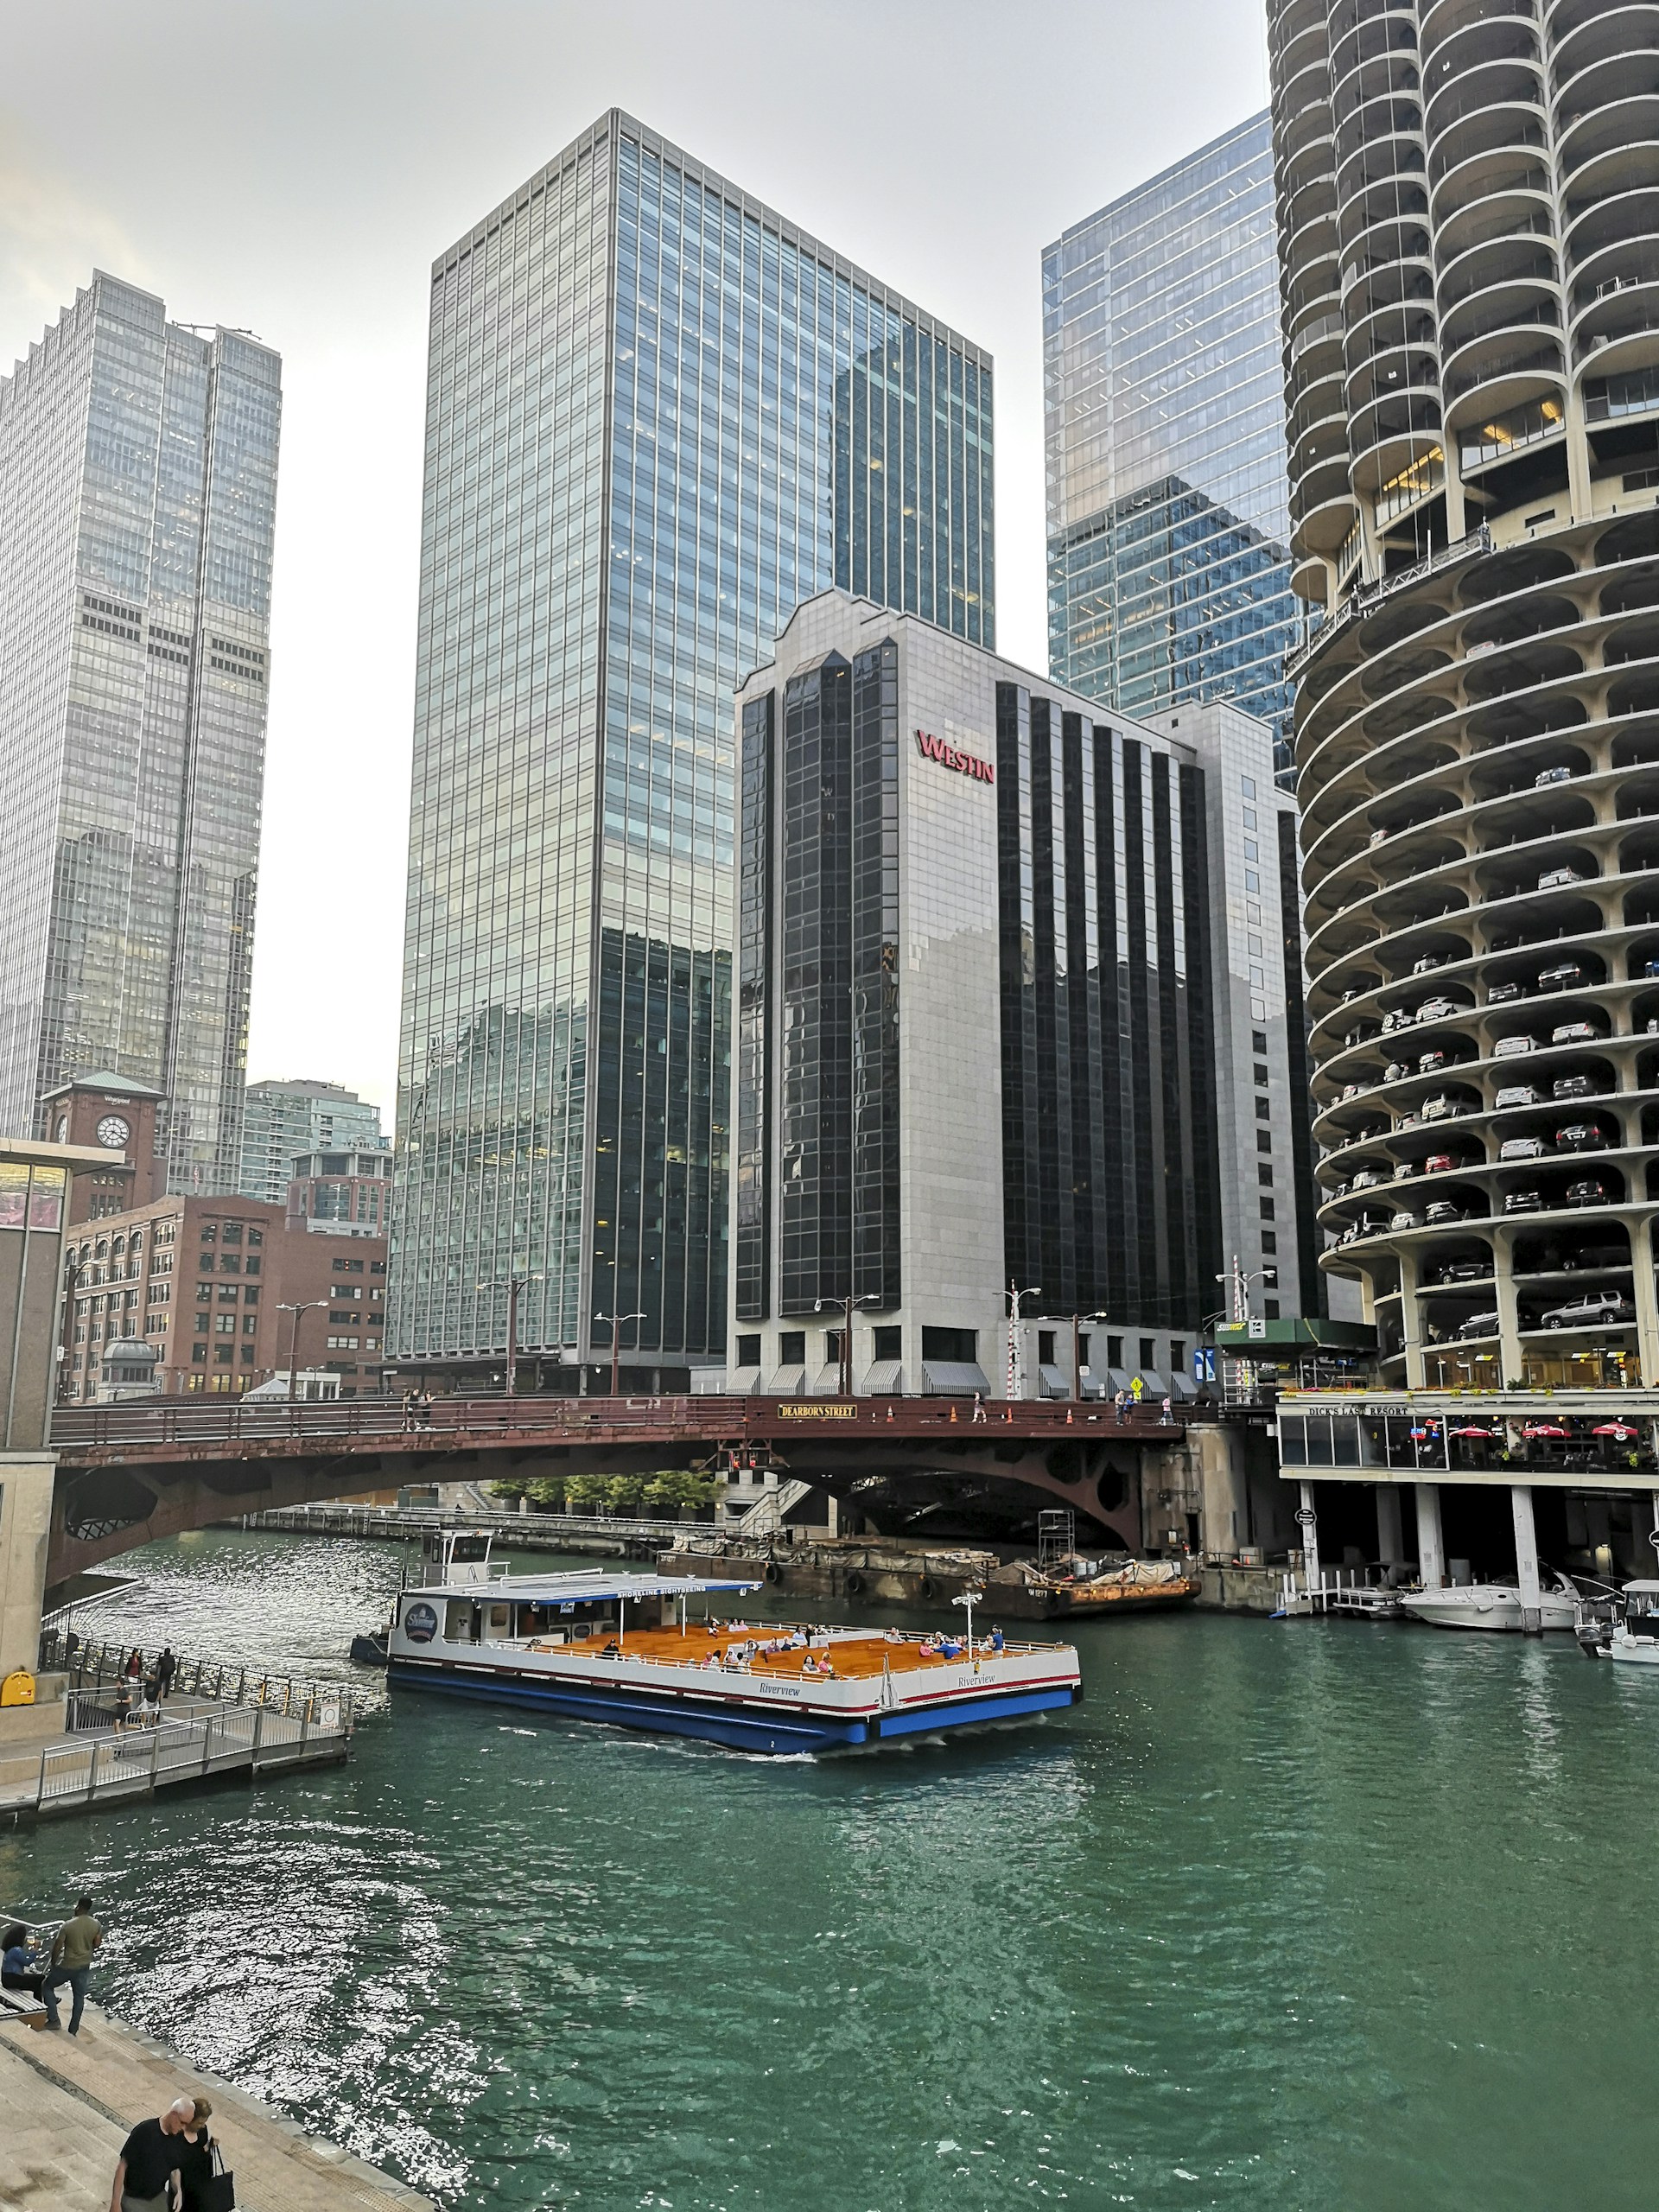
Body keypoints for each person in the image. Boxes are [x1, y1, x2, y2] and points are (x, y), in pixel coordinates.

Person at [110, 2097, 194, 2212]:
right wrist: (115, 2203)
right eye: (182, 2123)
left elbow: (174, 2168)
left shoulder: (178, 2138)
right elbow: (122, 2166)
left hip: (157, 2198)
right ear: (173, 2114)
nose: (183, 2128)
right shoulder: (144, 2131)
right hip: (134, 2199)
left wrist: (178, 2190)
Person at [43, 1894, 102, 2034]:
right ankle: (73, 2030)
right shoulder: (96, 1924)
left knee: (46, 1986)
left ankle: (54, 2019)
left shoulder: (67, 1926)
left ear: (78, 1907)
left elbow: (57, 1946)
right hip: (84, 1965)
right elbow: (97, 1944)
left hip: (67, 1965)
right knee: (79, 1998)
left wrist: (53, 1963)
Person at [175, 2094, 220, 2212]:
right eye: (199, 2123)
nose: (202, 2126)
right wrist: (177, 2189)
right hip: (185, 2182)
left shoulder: (202, 2131)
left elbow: (201, 2150)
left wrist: (210, 2144)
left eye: (204, 2122)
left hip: (201, 2179)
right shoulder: (178, 2134)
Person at [2, 1921, 44, 1999]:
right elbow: (27, 1962)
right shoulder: (16, 1950)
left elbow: (22, 1958)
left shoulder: (10, 1947)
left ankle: (39, 2000)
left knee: (35, 1981)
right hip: (12, 1980)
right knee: (40, 1979)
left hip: (7, 1978)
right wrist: (35, 1949)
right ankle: (42, 2001)